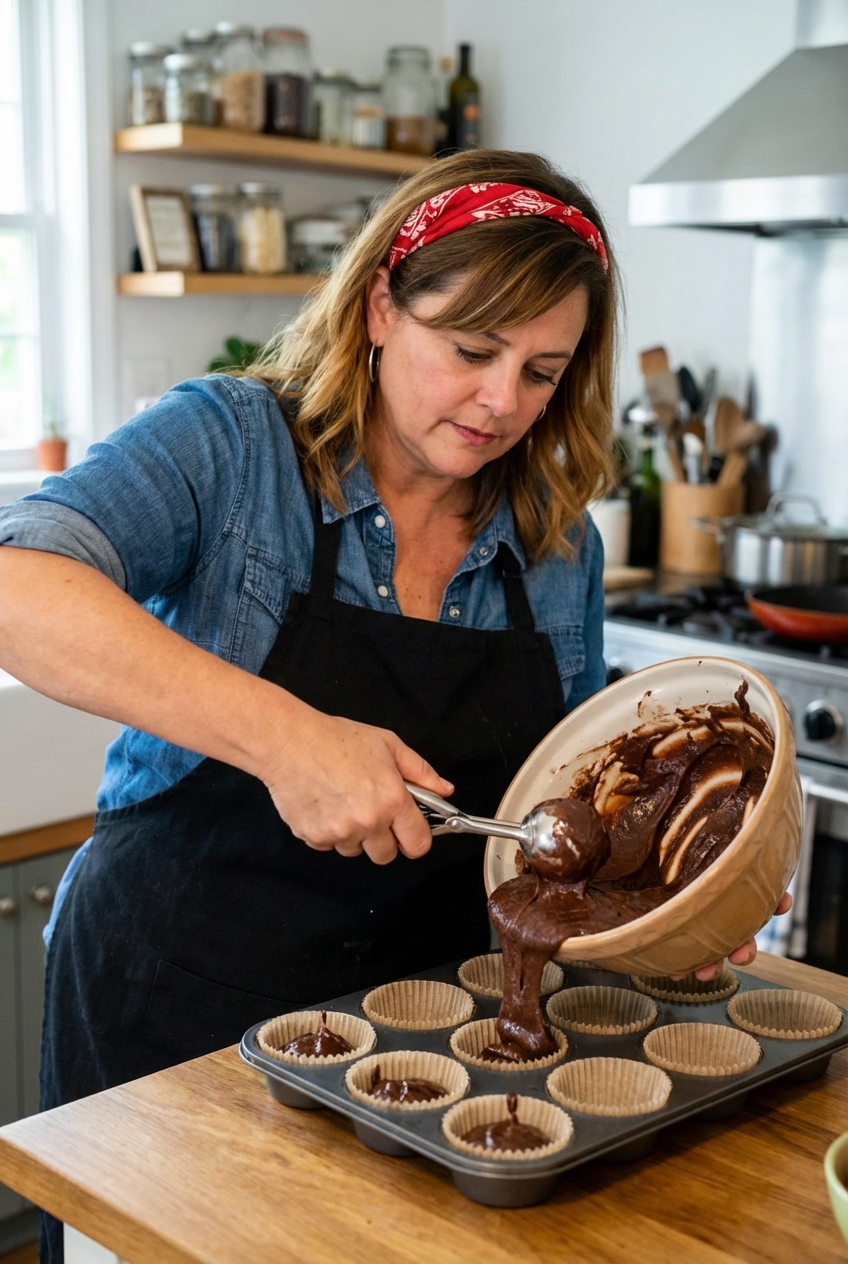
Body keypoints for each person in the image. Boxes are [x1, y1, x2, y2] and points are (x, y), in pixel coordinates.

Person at [0, 149, 784, 1263]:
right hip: (170, 1023)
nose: (499, 402)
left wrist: (667, 912)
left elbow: (558, 831)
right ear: (379, 304)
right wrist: (286, 736)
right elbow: (18, 581)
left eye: (541, 371)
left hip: (425, 1050)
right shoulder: (230, 448)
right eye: (470, 350)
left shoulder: (555, 546)